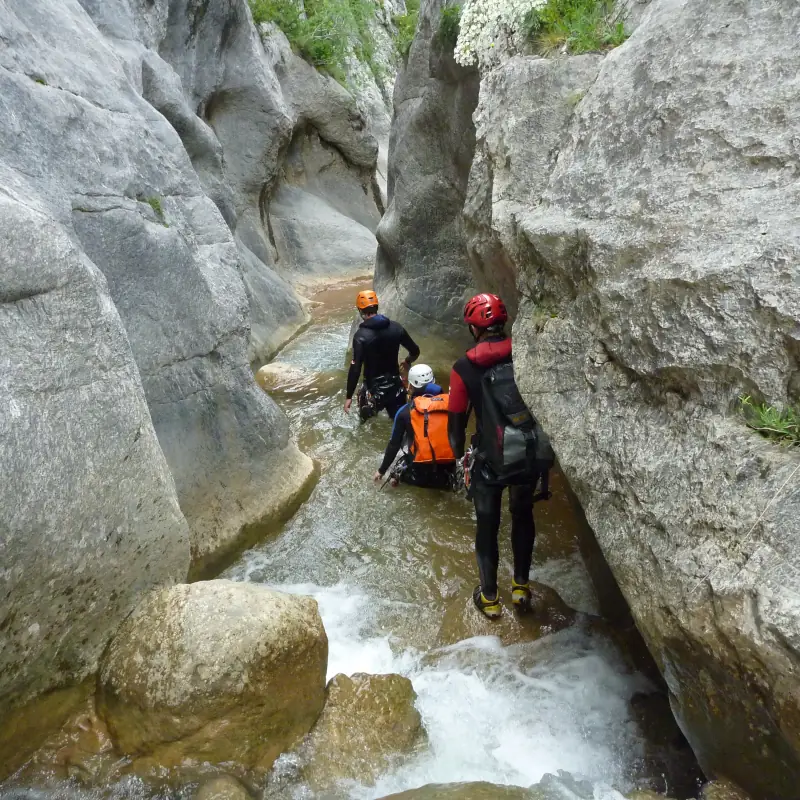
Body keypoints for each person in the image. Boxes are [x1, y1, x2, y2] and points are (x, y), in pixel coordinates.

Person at [448, 293, 550, 619]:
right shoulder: (524, 356)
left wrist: (457, 461)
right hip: (525, 455)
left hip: (490, 461)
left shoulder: (464, 368)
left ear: (474, 329)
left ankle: (490, 599)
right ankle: (520, 588)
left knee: (488, 526)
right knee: (522, 516)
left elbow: (455, 426)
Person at [372, 364, 456, 490]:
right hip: (447, 474)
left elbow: (394, 445)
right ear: (433, 381)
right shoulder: (452, 405)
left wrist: (381, 471)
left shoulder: (405, 412)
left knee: (397, 471)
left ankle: (395, 481)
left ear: (410, 386)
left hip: (418, 475)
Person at [344, 290, 421, 422]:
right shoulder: (396, 328)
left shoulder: (361, 336)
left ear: (360, 310)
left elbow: (355, 369)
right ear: (377, 307)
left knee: (365, 426)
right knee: (399, 425)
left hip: (373, 391)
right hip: (396, 388)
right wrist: (407, 361)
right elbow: (415, 351)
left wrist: (349, 397)